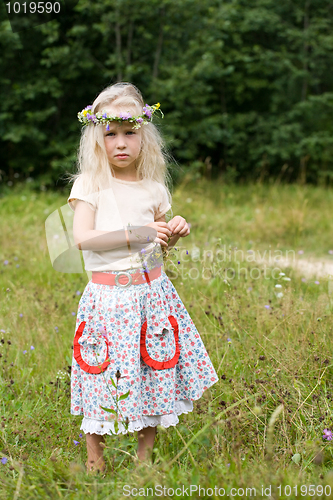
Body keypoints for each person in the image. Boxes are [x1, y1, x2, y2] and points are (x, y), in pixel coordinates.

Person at [66, 82, 218, 473]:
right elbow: (82, 238)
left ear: (144, 136)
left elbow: (158, 245)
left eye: (130, 133)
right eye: (111, 134)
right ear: (97, 140)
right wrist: (140, 232)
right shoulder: (91, 186)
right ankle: (94, 458)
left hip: (151, 294)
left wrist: (172, 230)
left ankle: (144, 460)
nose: (120, 143)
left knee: (155, 370)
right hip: (108, 298)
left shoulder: (153, 188)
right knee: (101, 371)